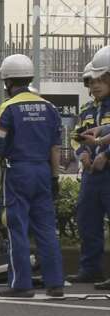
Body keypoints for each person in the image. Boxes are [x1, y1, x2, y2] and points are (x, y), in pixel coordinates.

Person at [0, 54, 64, 298]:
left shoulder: (7, 108)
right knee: (46, 229)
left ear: (8, 82)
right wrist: (54, 178)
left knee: (16, 228)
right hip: (42, 171)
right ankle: (55, 284)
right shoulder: (49, 108)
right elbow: (55, 148)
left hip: (18, 172)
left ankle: (21, 284)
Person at [67, 54, 109, 285]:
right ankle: (90, 269)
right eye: (91, 81)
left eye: (100, 80)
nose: (95, 85)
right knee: (87, 221)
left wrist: (106, 155)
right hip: (91, 175)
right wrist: (81, 154)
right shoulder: (86, 110)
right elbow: (76, 138)